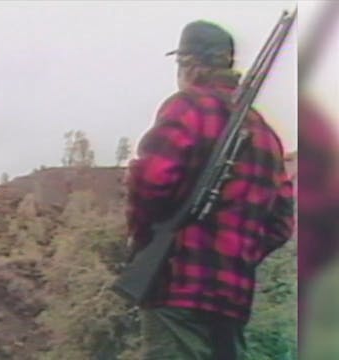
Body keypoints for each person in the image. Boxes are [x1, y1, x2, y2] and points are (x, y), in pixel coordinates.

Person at [124, 20, 294, 360]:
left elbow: (150, 180)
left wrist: (147, 240)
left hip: (177, 287)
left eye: (180, 64)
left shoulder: (187, 107)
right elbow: (281, 224)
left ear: (190, 64)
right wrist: (238, 254)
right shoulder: (265, 134)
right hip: (232, 298)